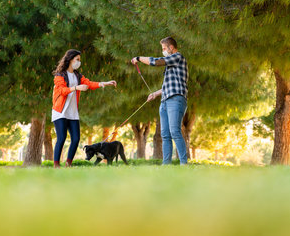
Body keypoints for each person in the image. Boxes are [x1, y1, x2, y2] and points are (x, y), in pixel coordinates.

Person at [51, 49, 117, 167]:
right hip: (60, 112)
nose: (79, 62)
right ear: (70, 60)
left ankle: (68, 164)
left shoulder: (77, 75)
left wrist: (104, 83)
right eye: (77, 59)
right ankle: (56, 165)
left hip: (72, 113)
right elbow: (62, 91)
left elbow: (89, 84)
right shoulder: (59, 76)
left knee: (76, 139)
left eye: (79, 60)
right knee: (61, 138)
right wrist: (76, 88)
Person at [131, 37, 189, 165]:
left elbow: (156, 61)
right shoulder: (171, 66)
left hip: (176, 99)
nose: (163, 51)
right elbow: (168, 86)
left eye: (164, 48)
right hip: (165, 101)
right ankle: (166, 164)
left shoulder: (178, 57)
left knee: (174, 131)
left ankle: (184, 164)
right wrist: (155, 94)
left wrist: (139, 58)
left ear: (171, 48)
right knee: (165, 134)